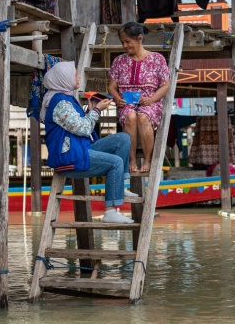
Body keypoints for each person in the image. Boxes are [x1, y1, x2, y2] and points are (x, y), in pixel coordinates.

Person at [41, 62, 135, 224]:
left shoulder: (67, 97)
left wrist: (90, 111)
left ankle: (119, 186)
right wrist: (97, 110)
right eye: (74, 75)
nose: (78, 77)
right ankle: (110, 211)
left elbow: (76, 124)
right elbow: (83, 128)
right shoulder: (60, 103)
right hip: (70, 157)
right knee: (115, 163)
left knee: (123, 139)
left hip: (80, 148)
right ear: (64, 79)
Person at [108, 22, 171, 174]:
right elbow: (111, 87)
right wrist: (117, 98)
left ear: (140, 38)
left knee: (143, 117)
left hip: (150, 102)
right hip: (126, 103)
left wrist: (151, 99)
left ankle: (148, 160)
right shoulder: (119, 61)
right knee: (130, 117)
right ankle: (132, 160)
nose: (124, 45)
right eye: (122, 42)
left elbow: (165, 85)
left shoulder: (157, 59)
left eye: (128, 41)